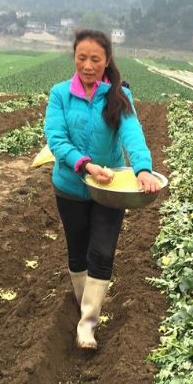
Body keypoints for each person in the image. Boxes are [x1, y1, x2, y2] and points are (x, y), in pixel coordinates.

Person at [44, 29, 160, 350]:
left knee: (103, 252)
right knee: (78, 252)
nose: (88, 65)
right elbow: (56, 138)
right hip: (70, 186)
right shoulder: (60, 95)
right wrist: (84, 164)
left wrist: (143, 168)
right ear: (75, 58)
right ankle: (84, 303)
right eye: (82, 58)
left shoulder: (119, 96)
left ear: (107, 61)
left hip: (109, 190)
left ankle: (88, 324)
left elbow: (132, 133)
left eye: (96, 59)